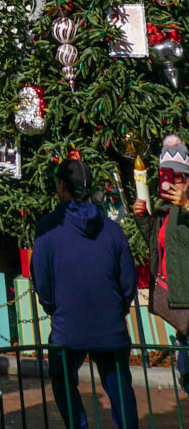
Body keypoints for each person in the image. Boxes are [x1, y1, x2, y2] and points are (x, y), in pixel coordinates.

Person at [32, 158, 138, 429]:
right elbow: (128, 281)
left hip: (68, 327)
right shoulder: (113, 229)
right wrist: (118, 309)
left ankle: (78, 425)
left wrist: (53, 307)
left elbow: (42, 281)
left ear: (62, 187)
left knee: (62, 378)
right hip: (110, 326)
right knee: (119, 387)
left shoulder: (47, 228)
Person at [133, 134, 189, 396]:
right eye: (168, 176)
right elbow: (157, 246)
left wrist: (187, 205)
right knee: (186, 376)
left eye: (179, 177)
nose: (173, 183)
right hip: (178, 305)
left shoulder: (185, 206)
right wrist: (143, 218)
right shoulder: (165, 210)